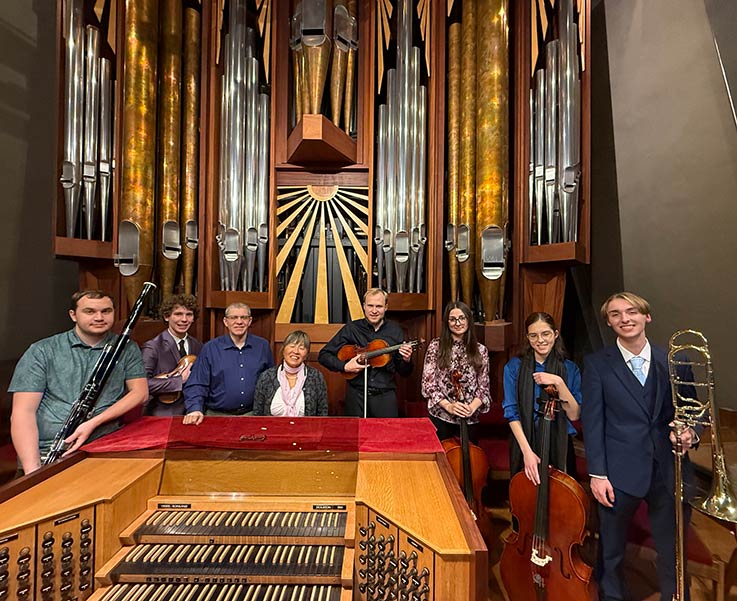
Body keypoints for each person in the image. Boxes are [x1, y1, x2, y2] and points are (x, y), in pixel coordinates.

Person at [582, 292, 698, 601]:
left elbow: (692, 411)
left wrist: (690, 434)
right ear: (609, 323)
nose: (625, 319)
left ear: (647, 316)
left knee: (672, 552)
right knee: (612, 551)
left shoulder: (675, 360)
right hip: (618, 473)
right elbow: (593, 423)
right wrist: (597, 473)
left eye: (632, 312)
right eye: (616, 315)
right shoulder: (597, 365)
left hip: (668, 471)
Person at [8, 290, 148, 473]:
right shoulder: (42, 350)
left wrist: (92, 423)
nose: (99, 317)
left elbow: (140, 393)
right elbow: (23, 412)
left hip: (103, 449)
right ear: (73, 315)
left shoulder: (127, 348)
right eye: (89, 311)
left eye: (106, 311)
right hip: (49, 452)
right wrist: (32, 471)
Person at [502, 312, 582, 485]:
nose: (540, 340)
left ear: (555, 334)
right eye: (533, 335)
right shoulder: (513, 367)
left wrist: (558, 382)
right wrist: (527, 453)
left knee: (563, 502)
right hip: (525, 442)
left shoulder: (570, 369)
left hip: (560, 443)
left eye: (545, 333)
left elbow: (574, 414)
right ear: (527, 338)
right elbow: (512, 413)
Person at [318, 288, 414, 417]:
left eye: (379, 306)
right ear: (364, 306)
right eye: (370, 306)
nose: (374, 311)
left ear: (386, 307)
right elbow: (324, 355)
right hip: (356, 395)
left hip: (385, 396)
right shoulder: (352, 328)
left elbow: (404, 372)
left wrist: (406, 360)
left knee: (386, 436)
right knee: (355, 435)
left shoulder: (395, 330)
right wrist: (344, 366)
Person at [182, 302, 273, 424]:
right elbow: (197, 383)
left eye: (244, 317)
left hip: (252, 415)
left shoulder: (262, 346)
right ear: (226, 322)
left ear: (250, 321)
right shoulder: (210, 348)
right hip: (216, 416)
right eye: (233, 317)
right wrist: (195, 409)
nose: (239, 322)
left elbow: (271, 381)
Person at [421, 301, 491, 442]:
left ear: (468, 320)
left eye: (462, 318)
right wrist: (449, 406)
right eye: (452, 319)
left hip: (469, 418)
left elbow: (484, 389)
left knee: (470, 462)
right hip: (441, 417)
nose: (457, 323)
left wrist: (471, 408)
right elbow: (428, 385)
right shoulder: (436, 346)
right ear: (447, 322)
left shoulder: (481, 350)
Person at [141, 294, 203, 416]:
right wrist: (179, 380)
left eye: (189, 314)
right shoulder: (152, 347)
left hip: (192, 412)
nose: (184, 319)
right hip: (162, 413)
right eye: (178, 314)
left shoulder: (198, 345)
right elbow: (142, 385)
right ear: (166, 316)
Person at [253, 330, 328, 417]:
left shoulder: (316, 377)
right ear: (283, 349)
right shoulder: (267, 377)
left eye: (302, 348)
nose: (296, 351)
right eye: (292, 346)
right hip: (272, 429)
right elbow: (257, 413)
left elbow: (323, 414)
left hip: (306, 430)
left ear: (306, 355)